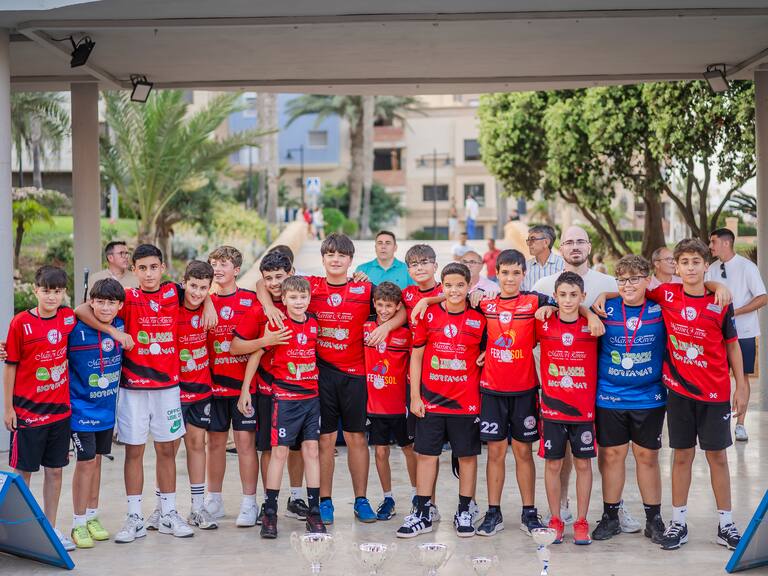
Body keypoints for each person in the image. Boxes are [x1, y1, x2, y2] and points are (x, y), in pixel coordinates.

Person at [256, 233, 406, 525]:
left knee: (356, 438)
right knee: (324, 440)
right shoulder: (311, 285)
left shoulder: (364, 288)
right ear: (323, 258)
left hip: (356, 375)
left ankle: (361, 500)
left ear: (351, 260)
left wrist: (387, 328)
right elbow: (264, 283)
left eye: (342, 255)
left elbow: (400, 309)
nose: (336, 260)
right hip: (321, 374)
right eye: (330, 255)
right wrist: (269, 307)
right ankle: (324, 501)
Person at [75, 244, 197, 543]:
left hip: (167, 388)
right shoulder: (127, 297)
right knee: (134, 451)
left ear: (163, 267)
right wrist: (115, 332)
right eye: (142, 268)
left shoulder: (174, 293)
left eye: (154, 267)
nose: (149, 273)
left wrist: (206, 307)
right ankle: (134, 517)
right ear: (134, 270)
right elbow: (80, 309)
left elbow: (201, 296)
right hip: (133, 389)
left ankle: (168, 512)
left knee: (167, 450)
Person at [645, 238, 747, 551]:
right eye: (684, 262)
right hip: (679, 392)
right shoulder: (666, 294)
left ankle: (726, 524)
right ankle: (678, 522)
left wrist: (742, 384)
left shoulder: (720, 301)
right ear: (676, 266)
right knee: (682, 456)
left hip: (715, 393)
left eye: (696, 262)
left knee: (718, 457)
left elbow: (732, 345)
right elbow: (628, 286)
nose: (690, 268)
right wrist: (598, 301)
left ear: (706, 266)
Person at [532, 225, 623, 528]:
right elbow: (533, 314)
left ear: (589, 246)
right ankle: (561, 507)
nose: (575, 246)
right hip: (558, 384)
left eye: (580, 241)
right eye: (569, 241)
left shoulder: (607, 282)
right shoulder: (545, 283)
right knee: (561, 456)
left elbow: (633, 296)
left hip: (600, 381)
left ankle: (614, 508)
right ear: (560, 249)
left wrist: (591, 312)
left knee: (606, 452)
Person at [396, 263, 486, 539]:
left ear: (469, 286)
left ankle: (465, 510)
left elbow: (493, 348)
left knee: (467, 457)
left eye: (460, 285)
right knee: (426, 455)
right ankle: (423, 511)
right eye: (448, 285)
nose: (454, 290)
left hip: (466, 402)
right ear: (441, 286)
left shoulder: (479, 317)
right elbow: (416, 356)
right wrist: (415, 396)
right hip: (431, 400)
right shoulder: (429, 314)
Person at [589, 255, 667, 545]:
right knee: (612, 456)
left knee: (647, 457)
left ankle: (654, 519)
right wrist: (594, 306)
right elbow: (577, 312)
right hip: (610, 395)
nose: (627, 285)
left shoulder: (660, 309)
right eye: (621, 279)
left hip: (649, 397)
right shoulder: (604, 308)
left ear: (648, 280)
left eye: (634, 278)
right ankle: (610, 516)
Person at [475, 250, 551, 537]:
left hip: (524, 389)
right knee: (495, 452)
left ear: (524, 274)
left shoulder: (535, 301)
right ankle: (493, 512)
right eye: (504, 272)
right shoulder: (485, 302)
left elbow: (567, 302)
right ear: (496, 274)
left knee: (523, 451)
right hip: (492, 390)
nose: (510, 278)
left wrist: (552, 308)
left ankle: (529, 512)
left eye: (516, 272)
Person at [3, 266, 78, 551]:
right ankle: (20, 532)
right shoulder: (20, 323)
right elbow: (10, 366)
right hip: (28, 414)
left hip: (60, 412)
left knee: (55, 472)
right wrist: (8, 408)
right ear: (36, 290)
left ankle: (50, 528)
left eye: (57, 291)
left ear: (64, 293)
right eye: (46, 291)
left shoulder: (68, 317)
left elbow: (86, 312)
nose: (51, 297)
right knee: (23, 473)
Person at [231, 251, 305, 523]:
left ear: (291, 274)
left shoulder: (300, 302)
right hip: (267, 390)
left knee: (296, 448)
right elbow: (235, 346)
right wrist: (265, 341)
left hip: (299, 392)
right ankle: (268, 501)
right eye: (269, 278)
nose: (274, 283)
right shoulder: (258, 310)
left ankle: (296, 498)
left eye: (279, 277)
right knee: (268, 448)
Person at [257, 276, 325, 538]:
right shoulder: (277, 324)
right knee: (280, 453)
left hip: (311, 397)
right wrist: (245, 392)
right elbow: (258, 353)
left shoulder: (313, 323)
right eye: (293, 297)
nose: (298, 302)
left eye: (303, 297)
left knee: (312, 450)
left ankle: (314, 512)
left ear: (309, 298)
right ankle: (270, 513)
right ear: (283, 299)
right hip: (285, 398)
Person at [537, 271, 598, 545]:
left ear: (583, 296)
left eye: (574, 295)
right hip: (552, 409)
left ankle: (582, 521)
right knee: (553, 463)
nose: (568, 300)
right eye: (562, 295)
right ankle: (555, 519)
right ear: (555, 296)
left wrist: (590, 314)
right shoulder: (543, 322)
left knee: (583, 463)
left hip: (583, 410)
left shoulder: (593, 325)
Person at [205, 246, 261, 527]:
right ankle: (213, 500)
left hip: (243, 387)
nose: (218, 268)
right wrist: (206, 299)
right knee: (215, 443)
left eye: (224, 264)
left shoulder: (251, 300)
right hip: (213, 385)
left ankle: (250, 503)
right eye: (214, 263)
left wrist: (247, 387)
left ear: (237, 270)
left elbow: (258, 344)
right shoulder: (204, 300)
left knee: (244, 444)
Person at [67, 278, 125, 549]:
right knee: (86, 462)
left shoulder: (122, 325)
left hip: (106, 410)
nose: (105, 307)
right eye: (99, 302)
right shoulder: (75, 328)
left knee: (98, 461)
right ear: (91, 301)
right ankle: (78, 523)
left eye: (111, 303)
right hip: (80, 409)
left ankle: (92, 516)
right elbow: (77, 310)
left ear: (120, 305)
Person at [706, 228, 767, 442]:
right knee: (717, 376)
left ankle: (740, 425)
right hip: (717, 335)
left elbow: (762, 297)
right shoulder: (712, 268)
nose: (710, 246)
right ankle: (718, 421)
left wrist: (735, 312)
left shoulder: (747, 267)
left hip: (744, 333)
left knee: (743, 376)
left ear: (726, 243)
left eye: (713, 242)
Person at [363, 282, 416, 521]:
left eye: (389, 306)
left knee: (409, 449)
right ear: (374, 304)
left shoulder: (406, 334)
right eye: (380, 305)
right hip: (376, 405)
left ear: (397, 307)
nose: (384, 310)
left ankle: (417, 496)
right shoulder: (365, 328)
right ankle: (388, 498)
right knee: (380, 451)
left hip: (400, 405)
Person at [175, 261, 218, 530]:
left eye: (204, 288)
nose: (197, 292)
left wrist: (209, 301)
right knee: (167, 449)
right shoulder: (172, 304)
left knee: (197, 444)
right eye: (193, 286)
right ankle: (164, 508)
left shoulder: (207, 309)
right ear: (184, 283)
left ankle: (198, 507)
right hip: (173, 389)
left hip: (201, 387)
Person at [521, 225, 564, 292]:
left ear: (546, 242)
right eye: (528, 240)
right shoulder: (525, 267)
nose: (529, 244)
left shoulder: (563, 265)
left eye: (533, 239)